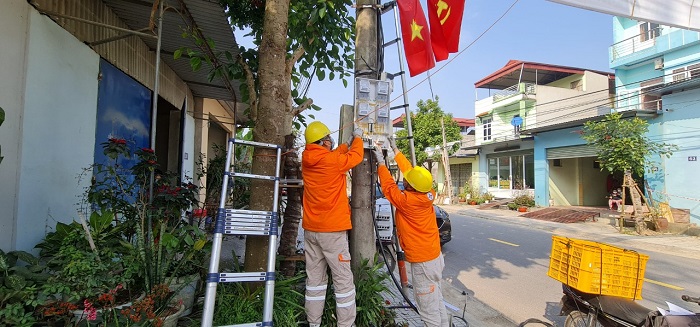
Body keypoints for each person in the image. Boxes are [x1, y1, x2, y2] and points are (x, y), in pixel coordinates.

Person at [373, 137, 448, 327]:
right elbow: (410, 172)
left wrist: (381, 163)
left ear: (410, 186)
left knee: (428, 311)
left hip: (423, 263)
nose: (404, 179)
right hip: (435, 258)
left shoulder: (407, 202)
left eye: (406, 181)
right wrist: (395, 150)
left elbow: (389, 187)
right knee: (436, 299)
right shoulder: (428, 192)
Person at [301, 121, 364, 327]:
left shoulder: (307, 159)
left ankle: (313, 323)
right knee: (343, 281)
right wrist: (359, 138)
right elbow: (356, 157)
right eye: (328, 138)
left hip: (311, 231)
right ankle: (346, 324)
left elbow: (333, 157)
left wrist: (345, 144)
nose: (330, 141)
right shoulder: (333, 160)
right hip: (332, 233)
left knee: (315, 282)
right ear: (323, 142)